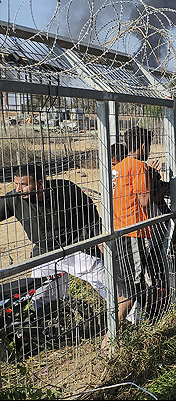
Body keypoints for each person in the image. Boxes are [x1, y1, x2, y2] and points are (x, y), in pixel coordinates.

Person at [0, 164, 106, 306]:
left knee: (111, 287)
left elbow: (89, 210)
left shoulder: (65, 188)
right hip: (45, 253)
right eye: (17, 184)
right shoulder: (15, 199)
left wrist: (99, 237)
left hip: (76, 248)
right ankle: (56, 323)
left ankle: (136, 319)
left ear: (40, 184)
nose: (18, 189)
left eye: (24, 184)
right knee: (40, 301)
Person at [113, 126, 164, 323]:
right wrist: (158, 189)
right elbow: (144, 201)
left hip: (120, 227)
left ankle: (146, 318)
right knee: (132, 284)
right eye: (149, 145)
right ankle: (111, 332)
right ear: (143, 146)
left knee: (130, 281)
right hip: (135, 231)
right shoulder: (138, 167)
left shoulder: (119, 166)